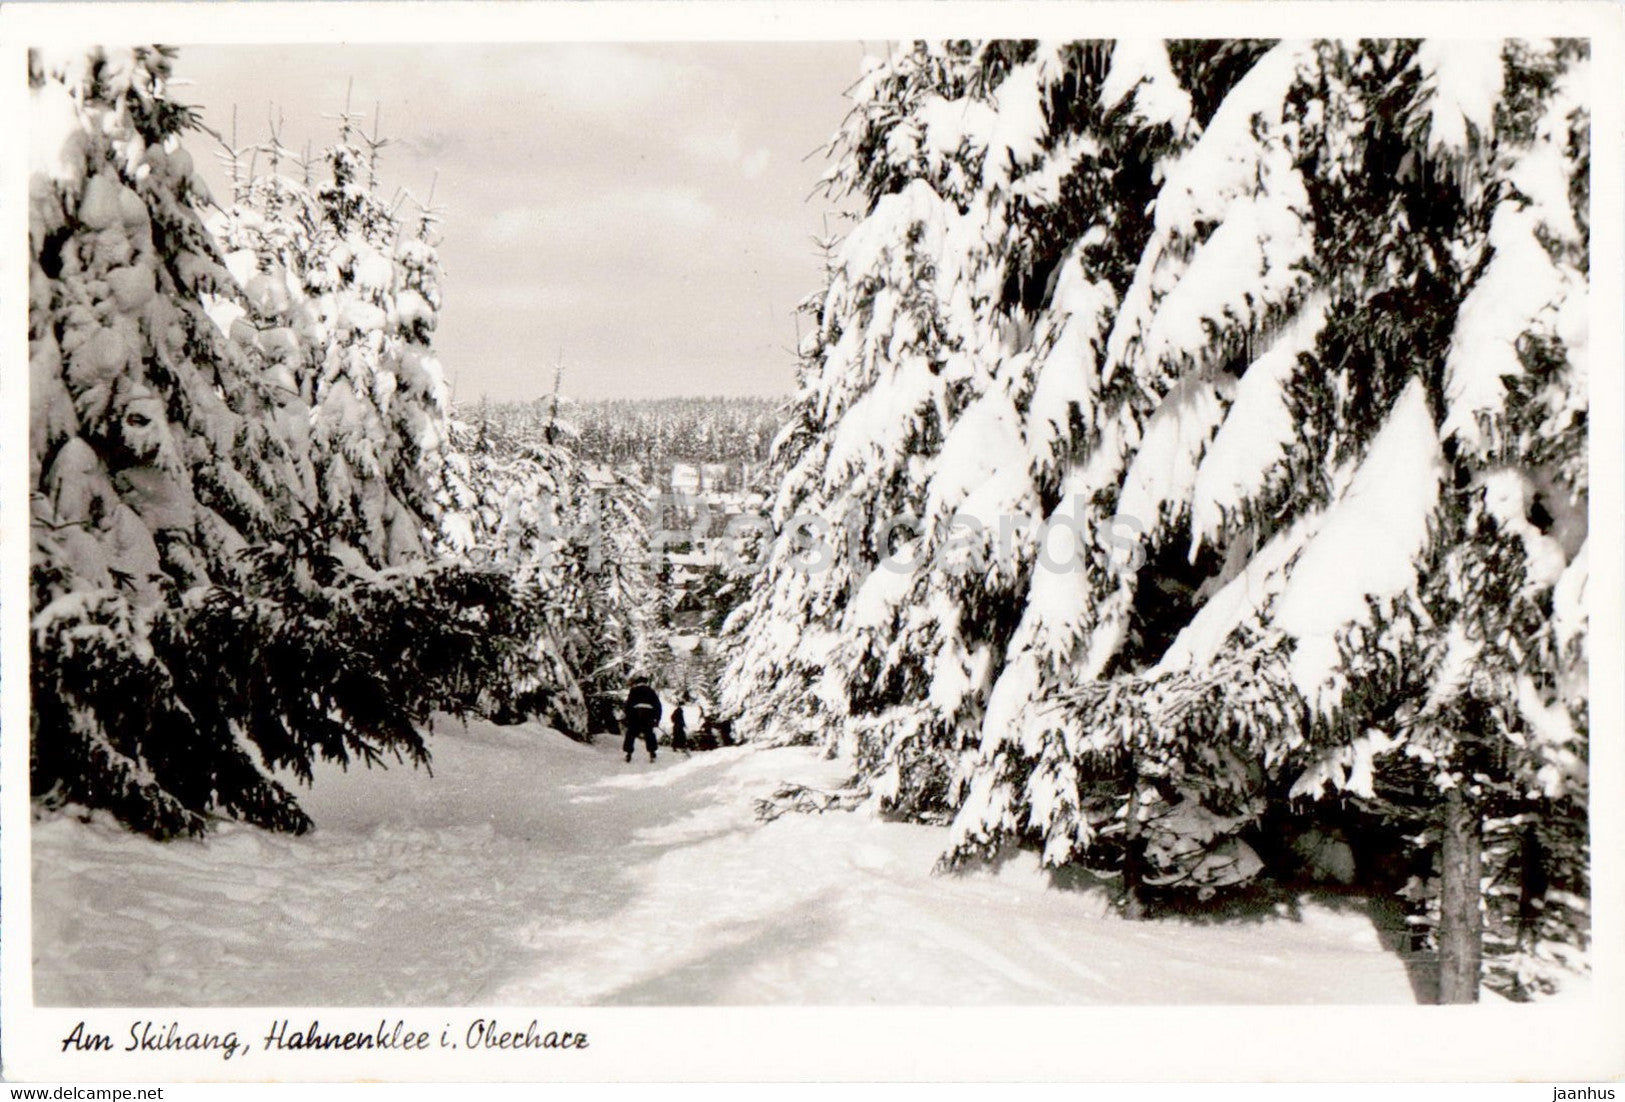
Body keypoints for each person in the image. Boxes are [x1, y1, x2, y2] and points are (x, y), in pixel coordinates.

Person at [623, 676, 662, 763]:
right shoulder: (651, 692)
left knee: (631, 734)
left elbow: (628, 706)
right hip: (648, 717)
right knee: (649, 735)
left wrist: (628, 718)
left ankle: (628, 753)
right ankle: (652, 753)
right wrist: (657, 719)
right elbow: (658, 706)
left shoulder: (633, 691)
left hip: (635, 716)